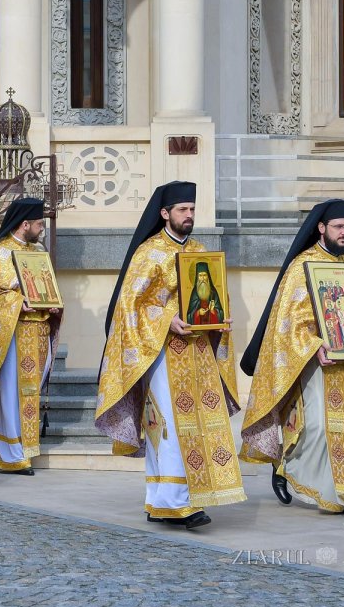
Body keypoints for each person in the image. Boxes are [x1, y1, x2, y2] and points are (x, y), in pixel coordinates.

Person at [95, 181, 245, 529]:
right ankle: (178, 502)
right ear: (165, 214)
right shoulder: (149, 253)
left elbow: (210, 299)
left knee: (194, 425)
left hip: (198, 353)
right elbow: (130, 306)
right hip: (161, 353)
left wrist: (219, 319)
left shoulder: (200, 251)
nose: (189, 215)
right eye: (182, 210)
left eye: (192, 209)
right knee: (168, 425)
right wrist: (167, 319)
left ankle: (161, 498)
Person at [239, 200, 344, 513]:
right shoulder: (302, 267)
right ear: (321, 228)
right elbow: (289, 323)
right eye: (338, 227)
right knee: (321, 429)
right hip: (314, 361)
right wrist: (315, 344)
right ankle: (285, 468)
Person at [0, 198, 60, 474]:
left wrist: (52, 303)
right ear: (25, 224)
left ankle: (22, 448)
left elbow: (45, 286)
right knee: (12, 393)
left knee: (29, 392)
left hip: (38, 330)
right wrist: (16, 302)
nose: (42, 229)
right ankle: (10, 453)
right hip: (14, 333)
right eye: (39, 224)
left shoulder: (37, 251)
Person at [184, 262, 223, 327]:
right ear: (197, 277)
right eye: (200, 275)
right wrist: (198, 313)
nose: (203, 278)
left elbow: (221, 313)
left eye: (204, 275)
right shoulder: (194, 292)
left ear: (208, 277)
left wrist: (213, 311)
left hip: (212, 328)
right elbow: (189, 315)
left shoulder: (213, 292)